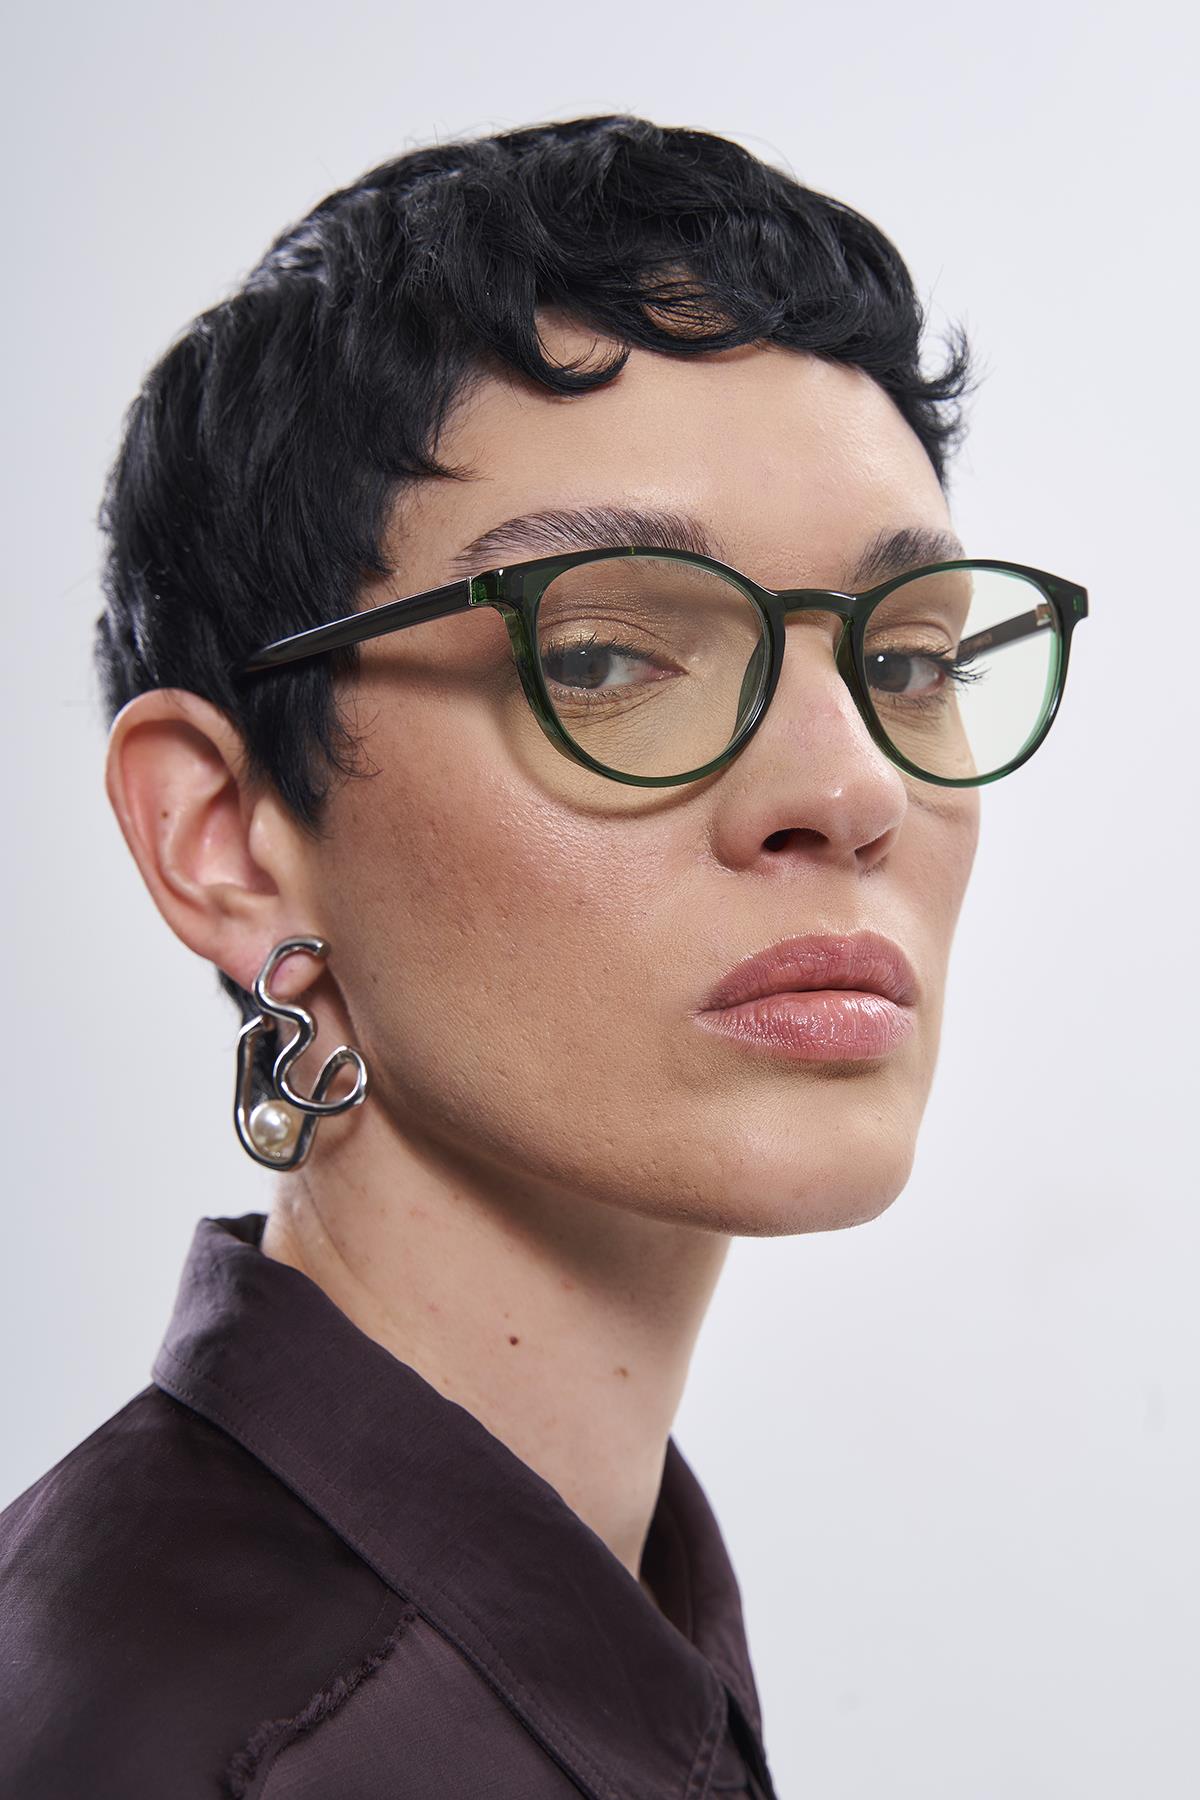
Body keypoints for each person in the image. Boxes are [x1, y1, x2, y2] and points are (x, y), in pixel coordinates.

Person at [0, 113, 1087, 1797]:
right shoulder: (236, 1748)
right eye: (604, 658)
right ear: (225, 835)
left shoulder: (568, 1619)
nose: (850, 789)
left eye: (909, 662)